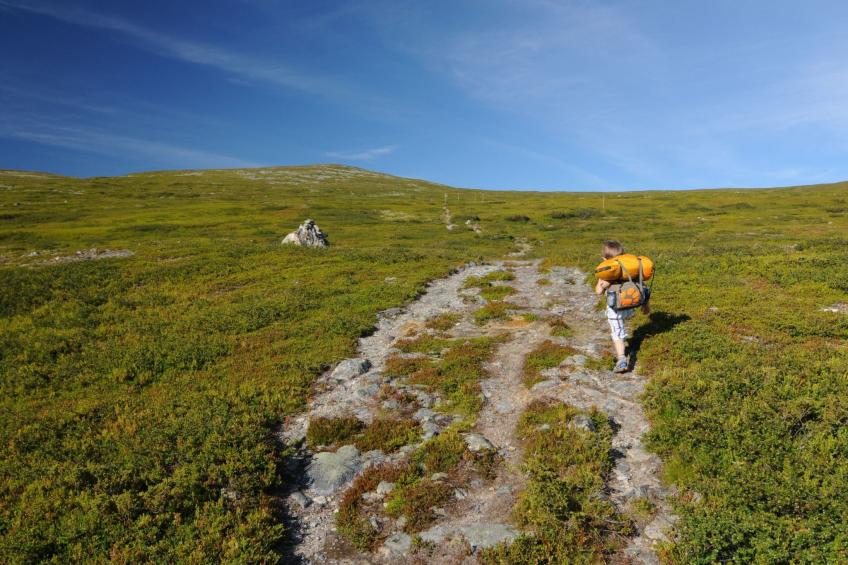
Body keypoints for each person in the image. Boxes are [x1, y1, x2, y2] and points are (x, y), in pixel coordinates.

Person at [594, 240, 650, 373]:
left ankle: (621, 359)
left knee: (617, 334)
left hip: (616, 309)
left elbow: (598, 291)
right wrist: (646, 306)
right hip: (630, 306)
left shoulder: (607, 273)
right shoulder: (630, 270)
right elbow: (642, 287)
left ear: (604, 259)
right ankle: (625, 349)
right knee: (621, 327)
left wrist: (600, 282)